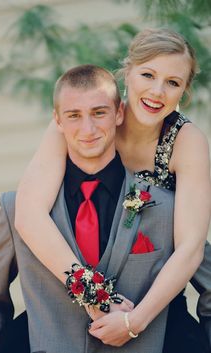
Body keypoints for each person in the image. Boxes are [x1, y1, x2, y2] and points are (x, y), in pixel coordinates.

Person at [14, 28, 211, 351]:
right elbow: (29, 214)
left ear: (183, 92)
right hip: (83, 268)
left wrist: (135, 323)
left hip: (156, 274)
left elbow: (190, 248)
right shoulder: (90, 116)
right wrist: (92, 293)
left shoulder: (187, 141)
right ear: (127, 72)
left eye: (173, 83)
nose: (157, 91)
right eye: (148, 74)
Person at [0, 64, 186, 353]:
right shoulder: (16, 208)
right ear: (58, 121)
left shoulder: (167, 205)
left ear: (119, 113)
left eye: (99, 112)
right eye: (74, 116)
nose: (87, 129)